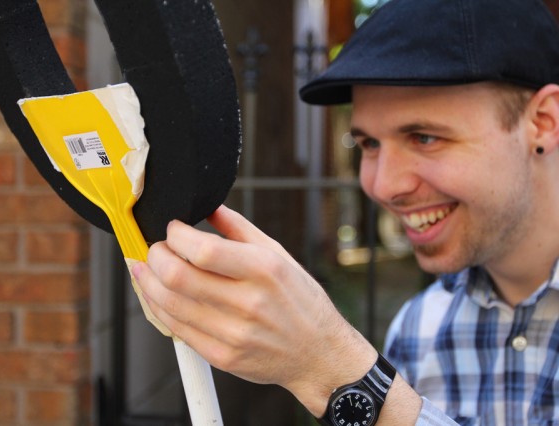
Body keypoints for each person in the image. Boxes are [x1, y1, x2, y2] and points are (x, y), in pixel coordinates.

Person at [131, 0, 559, 424]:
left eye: (425, 137)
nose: (383, 186)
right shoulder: (421, 328)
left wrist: (336, 368)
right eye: (369, 143)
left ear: (542, 122)